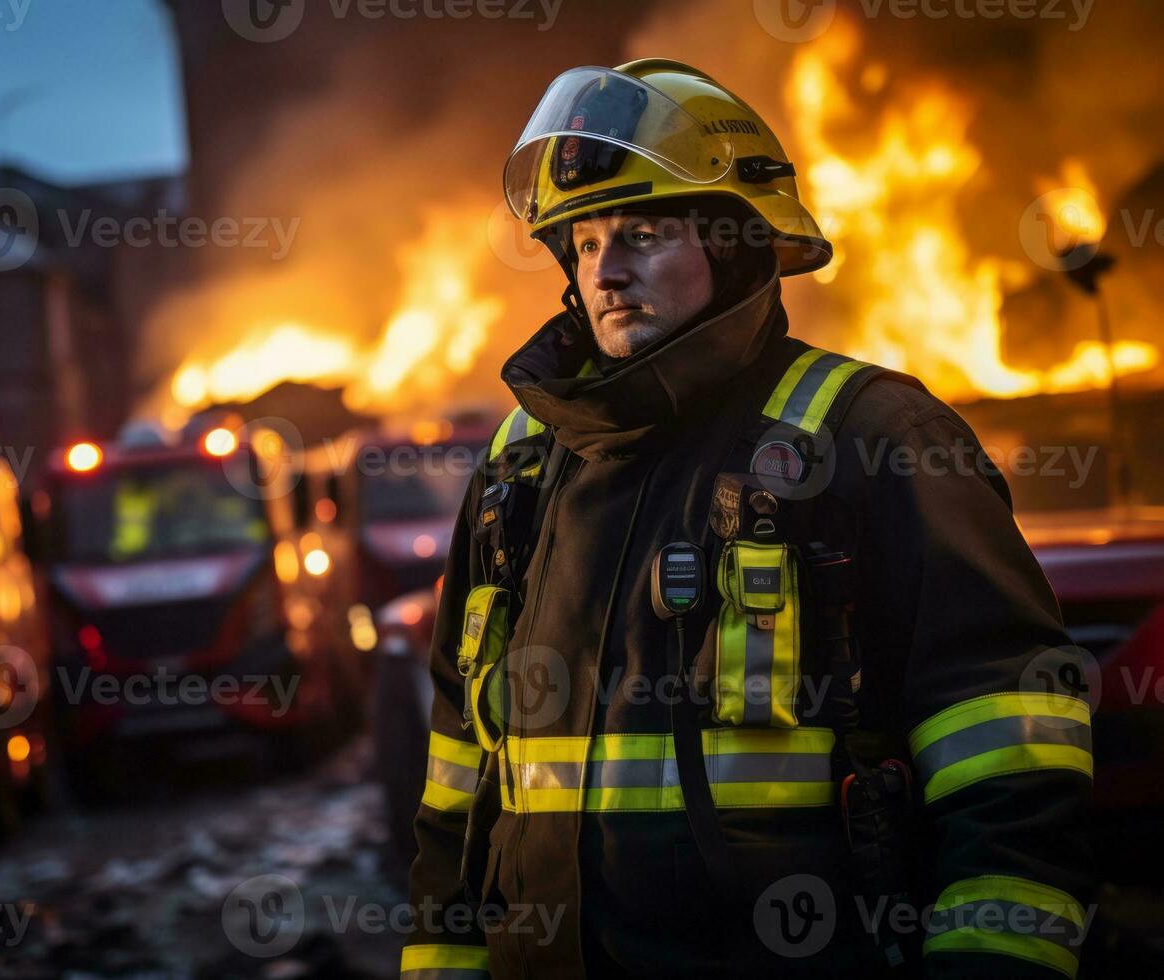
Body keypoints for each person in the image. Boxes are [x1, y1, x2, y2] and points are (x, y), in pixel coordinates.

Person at [402, 59, 1093, 979]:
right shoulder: (521, 465)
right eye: (584, 241)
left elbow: (1011, 746)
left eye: (642, 234)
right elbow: (457, 776)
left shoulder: (872, 436)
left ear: (734, 243)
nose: (605, 270)